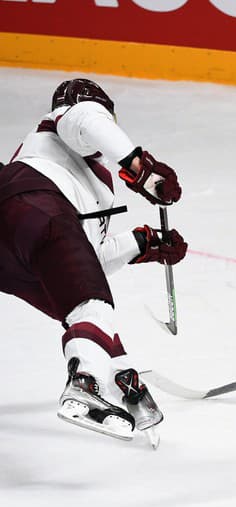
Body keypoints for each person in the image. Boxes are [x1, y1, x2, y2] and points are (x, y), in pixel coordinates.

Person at [0, 79, 188, 443]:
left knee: (78, 302)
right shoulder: (69, 123)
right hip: (35, 209)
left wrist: (141, 243)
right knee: (92, 305)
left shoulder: (76, 176)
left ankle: (122, 379)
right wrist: (141, 169)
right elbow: (87, 118)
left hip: (15, 250)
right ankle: (85, 382)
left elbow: (81, 261)